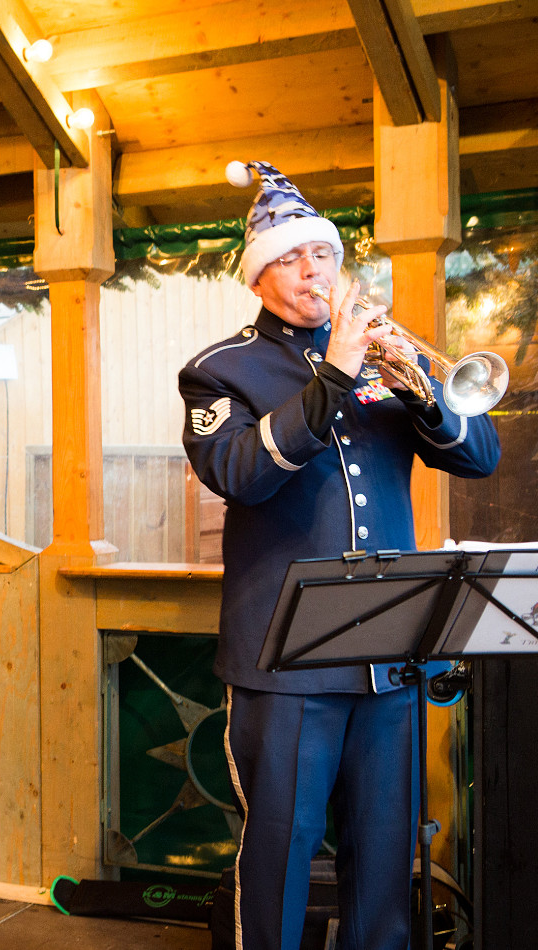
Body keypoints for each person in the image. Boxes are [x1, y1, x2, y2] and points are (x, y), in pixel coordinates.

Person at [178, 162, 500, 950]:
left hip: (390, 656)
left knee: (387, 859)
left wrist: (421, 386)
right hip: (285, 660)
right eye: (290, 259)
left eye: (321, 255)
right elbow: (240, 475)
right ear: (259, 278)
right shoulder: (221, 370)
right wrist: (335, 375)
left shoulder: (382, 358)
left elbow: (480, 457)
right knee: (281, 849)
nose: (312, 271)